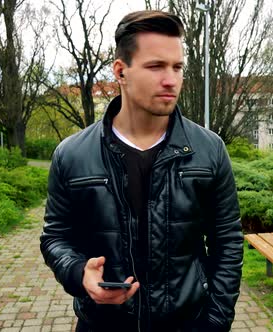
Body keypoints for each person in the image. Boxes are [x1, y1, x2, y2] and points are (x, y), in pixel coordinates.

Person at [40, 10, 244, 332]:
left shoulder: (209, 149)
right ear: (121, 71)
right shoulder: (72, 154)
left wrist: (216, 322)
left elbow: (228, 242)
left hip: (188, 324)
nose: (171, 79)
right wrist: (80, 273)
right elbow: (56, 237)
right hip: (102, 324)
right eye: (155, 66)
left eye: (177, 67)